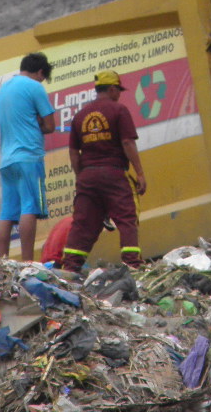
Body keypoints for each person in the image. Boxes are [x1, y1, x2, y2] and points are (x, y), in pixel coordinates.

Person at [61, 69, 147, 272]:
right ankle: (132, 265)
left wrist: (82, 177)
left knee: (83, 224)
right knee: (127, 218)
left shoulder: (80, 116)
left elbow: (74, 152)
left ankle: (69, 269)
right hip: (114, 173)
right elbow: (127, 143)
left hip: (87, 175)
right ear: (111, 88)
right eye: (118, 90)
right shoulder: (119, 110)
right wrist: (140, 173)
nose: (119, 94)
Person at [0, 51, 56, 261]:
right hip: (29, 157)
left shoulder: (4, 89)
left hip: (7, 160)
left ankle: (2, 261)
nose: (42, 81)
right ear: (40, 72)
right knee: (30, 207)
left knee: (7, 214)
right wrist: (37, 121)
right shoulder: (34, 87)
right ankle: (28, 262)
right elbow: (50, 126)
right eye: (43, 77)